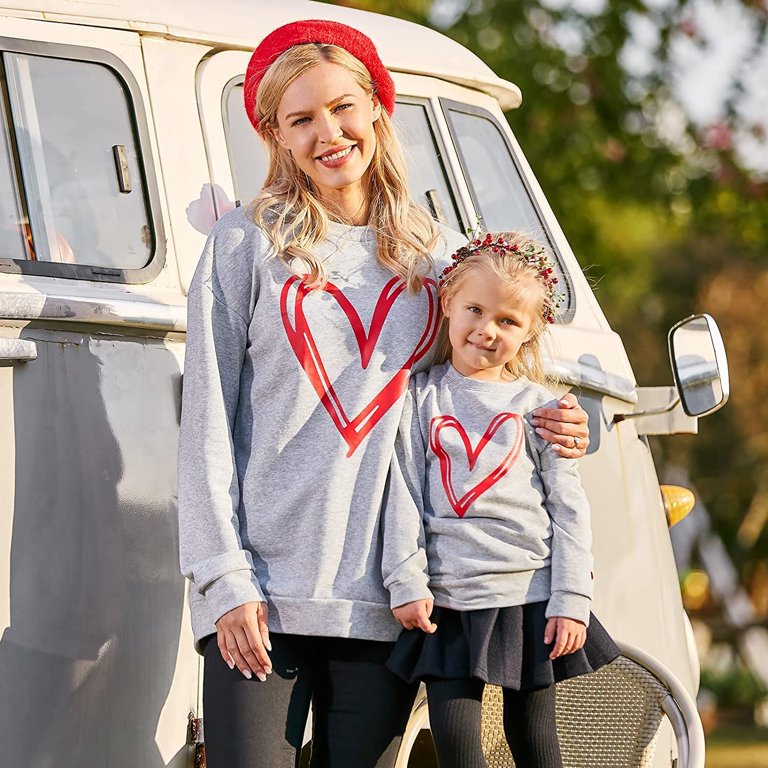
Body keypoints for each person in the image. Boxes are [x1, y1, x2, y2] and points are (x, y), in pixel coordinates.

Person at [177, 20, 590, 768]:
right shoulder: (242, 247)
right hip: (261, 596)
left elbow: (480, 392)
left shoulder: (438, 265)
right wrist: (222, 577)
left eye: (342, 108)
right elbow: (205, 422)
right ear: (275, 134)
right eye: (300, 119)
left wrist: (558, 423)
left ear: (376, 108)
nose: (327, 134)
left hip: (390, 600)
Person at [382, 232, 619, 768]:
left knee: (536, 744)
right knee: (457, 747)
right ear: (447, 303)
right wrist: (406, 579)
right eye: (475, 309)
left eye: (509, 321)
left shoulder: (541, 408)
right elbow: (402, 494)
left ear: (533, 329)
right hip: (449, 600)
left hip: (529, 596)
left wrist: (570, 598)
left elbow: (568, 510)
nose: (487, 330)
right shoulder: (418, 397)